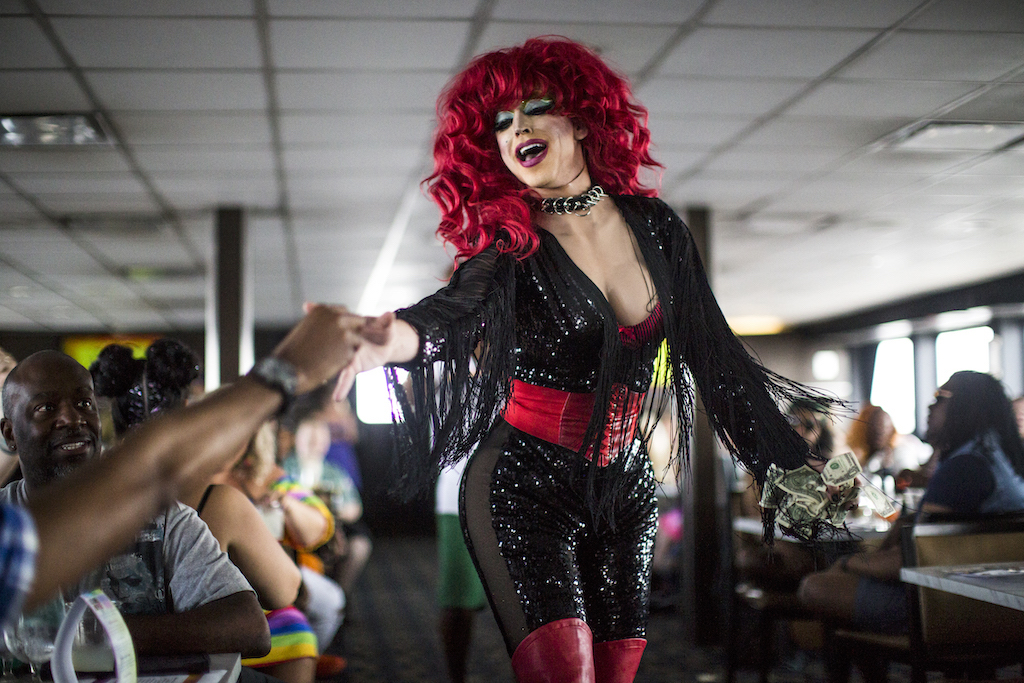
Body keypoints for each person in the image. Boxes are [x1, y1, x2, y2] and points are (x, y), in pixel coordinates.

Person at [331, 37, 836, 682]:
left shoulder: (658, 228)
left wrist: (788, 462)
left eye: (535, 109)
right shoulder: (510, 245)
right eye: (501, 123)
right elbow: (449, 317)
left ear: (582, 118)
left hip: (625, 486)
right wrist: (389, 340)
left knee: (617, 669)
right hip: (522, 484)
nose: (518, 129)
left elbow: (716, 358)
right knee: (565, 672)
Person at [0, 304, 365, 630]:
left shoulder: (160, 512)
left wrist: (93, 640)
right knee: (304, 622)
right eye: (45, 408)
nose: (71, 419)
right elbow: (289, 594)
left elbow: (247, 623)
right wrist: (284, 374)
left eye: (84, 404)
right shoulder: (167, 503)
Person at [798, 371, 1024, 636]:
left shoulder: (964, 468)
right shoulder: (995, 458)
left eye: (939, 397)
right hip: (989, 599)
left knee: (814, 587)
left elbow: (912, 557)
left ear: (966, 405)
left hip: (944, 605)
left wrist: (849, 563)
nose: (929, 406)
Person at [846, 404, 930, 480]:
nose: (879, 433)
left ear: (891, 429)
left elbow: (909, 475)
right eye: (874, 429)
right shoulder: (866, 456)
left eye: (884, 428)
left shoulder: (902, 449)